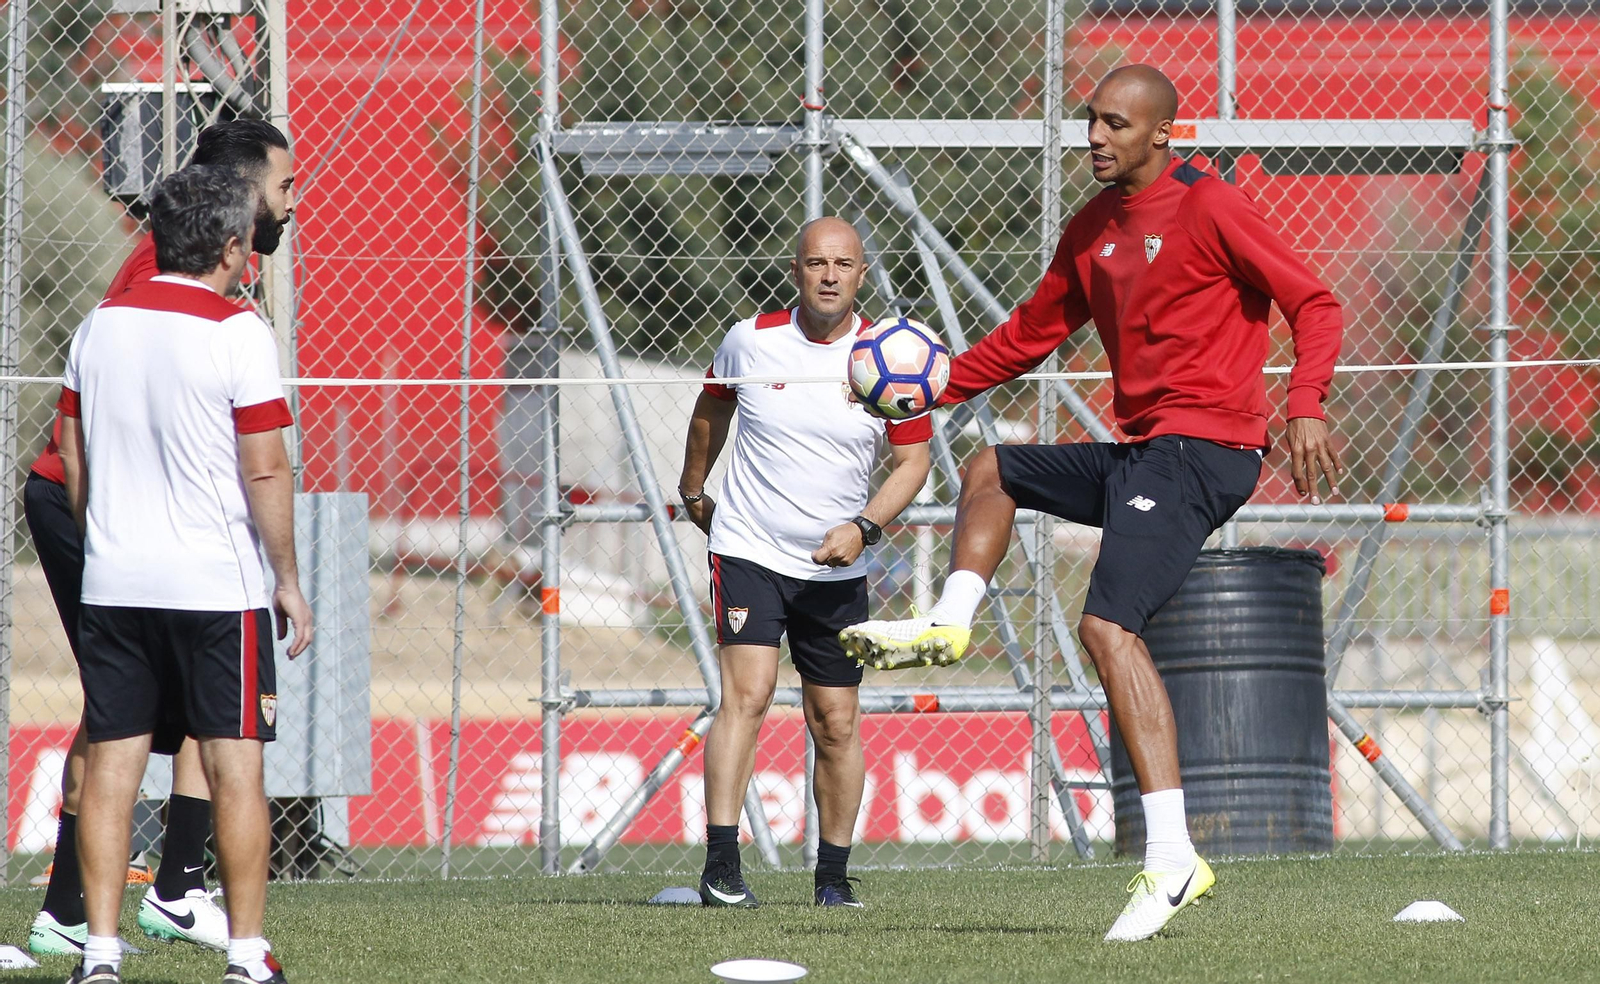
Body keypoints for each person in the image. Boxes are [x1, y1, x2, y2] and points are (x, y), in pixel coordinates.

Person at [840, 65, 1345, 941]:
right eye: (1090, 120)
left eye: (1116, 123)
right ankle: (951, 622)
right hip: (1147, 453)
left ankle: (1173, 860)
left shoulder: (1213, 207)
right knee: (992, 469)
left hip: (1203, 450)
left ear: (1163, 134)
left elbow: (1316, 300)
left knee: (1108, 628)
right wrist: (927, 389)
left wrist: (1304, 404)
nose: (1096, 136)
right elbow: (1030, 336)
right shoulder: (1093, 227)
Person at [28, 119, 295, 958]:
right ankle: (75, 908)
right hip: (115, 524)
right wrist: (281, 571)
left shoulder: (160, 297)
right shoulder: (183, 291)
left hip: (122, 536)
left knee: (150, 721)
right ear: (236, 216)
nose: (290, 208)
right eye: (283, 190)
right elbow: (87, 451)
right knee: (138, 728)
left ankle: (167, 892)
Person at [678, 217, 932, 909]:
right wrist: (694, 490)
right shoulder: (749, 340)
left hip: (837, 568)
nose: (828, 275)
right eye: (816, 262)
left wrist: (865, 527)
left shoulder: (891, 353)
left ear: (860, 274)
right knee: (748, 694)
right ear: (796, 270)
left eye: (842, 264)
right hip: (750, 548)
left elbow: (914, 462)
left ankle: (832, 879)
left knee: (836, 722)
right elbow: (711, 410)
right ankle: (723, 869)